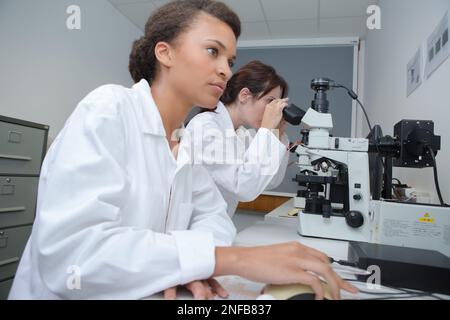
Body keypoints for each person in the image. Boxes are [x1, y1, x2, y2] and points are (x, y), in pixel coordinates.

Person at [9, 0, 357, 300]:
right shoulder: (109, 108)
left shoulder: (184, 144)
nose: (225, 69)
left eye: (230, 59)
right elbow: (72, 255)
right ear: (166, 52)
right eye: (212, 51)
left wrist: (191, 264)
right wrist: (226, 260)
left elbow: (213, 219)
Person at [183, 60, 290, 218]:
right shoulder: (206, 126)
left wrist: (276, 134)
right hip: (193, 230)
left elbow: (270, 181)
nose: (272, 110)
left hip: (218, 228)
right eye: (270, 101)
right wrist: (267, 131)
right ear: (244, 95)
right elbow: (243, 188)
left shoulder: (241, 135)